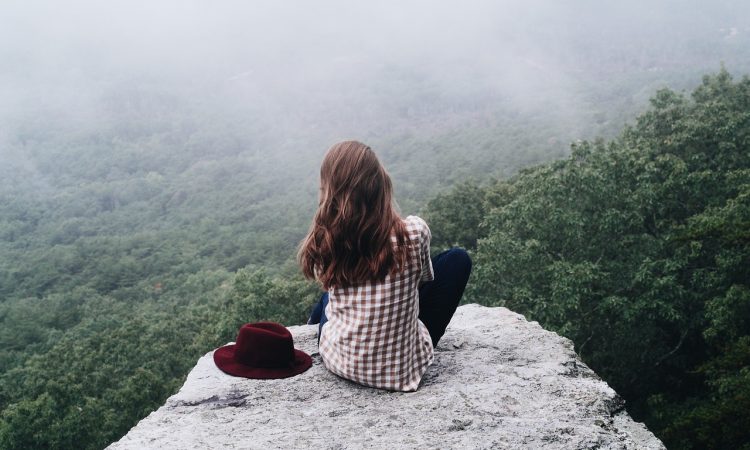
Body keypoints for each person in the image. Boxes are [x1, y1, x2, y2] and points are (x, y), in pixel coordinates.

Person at [299, 140, 471, 392]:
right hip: (402, 371)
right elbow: (422, 282)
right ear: (380, 184)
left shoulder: (327, 240)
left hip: (340, 362)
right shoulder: (415, 232)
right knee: (457, 260)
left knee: (328, 297)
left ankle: (311, 324)